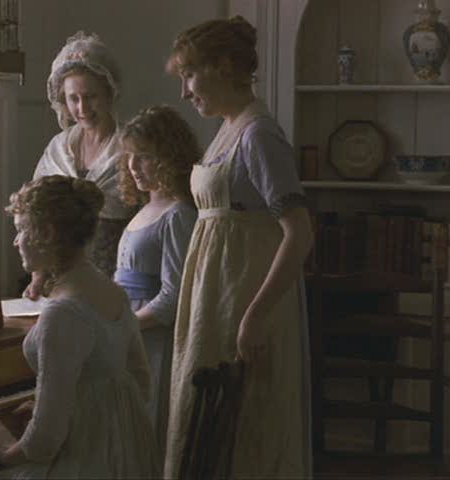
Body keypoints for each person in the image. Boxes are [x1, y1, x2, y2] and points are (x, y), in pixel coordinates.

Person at [162, 16, 314, 479]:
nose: (186, 91)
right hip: (213, 295)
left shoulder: (259, 135)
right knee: (204, 422)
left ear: (225, 66)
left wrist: (254, 317)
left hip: (242, 299)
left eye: (190, 74)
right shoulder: (229, 127)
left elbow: (300, 233)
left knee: (242, 427)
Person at [0, 175, 161, 479]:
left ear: (46, 234)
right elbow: (140, 381)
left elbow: (46, 439)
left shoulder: (63, 313)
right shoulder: (111, 290)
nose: (16, 241)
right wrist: (78, 406)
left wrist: (5, 448)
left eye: (21, 230)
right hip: (125, 456)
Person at [112, 105, 199, 453]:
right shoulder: (144, 210)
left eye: (144, 157)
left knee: (148, 428)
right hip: (128, 332)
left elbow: (174, 296)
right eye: (130, 157)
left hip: (154, 341)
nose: (133, 167)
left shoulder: (178, 214)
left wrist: (126, 325)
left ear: (168, 156)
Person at [24, 31, 134, 299]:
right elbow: (36, 214)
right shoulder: (59, 148)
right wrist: (37, 277)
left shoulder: (130, 146)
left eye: (91, 96)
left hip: (116, 272)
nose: (82, 107)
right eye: (74, 98)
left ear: (110, 93)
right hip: (61, 277)